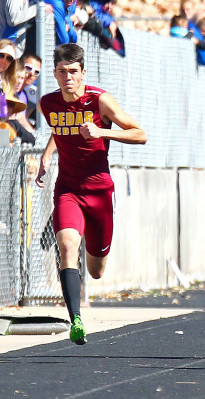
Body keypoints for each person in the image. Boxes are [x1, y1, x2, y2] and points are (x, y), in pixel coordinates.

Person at [35, 43, 147, 344]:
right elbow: (59, 131)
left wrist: (103, 132)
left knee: (96, 269)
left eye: (73, 71)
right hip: (68, 188)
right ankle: (76, 321)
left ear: (83, 72)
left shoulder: (99, 100)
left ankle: (96, 257)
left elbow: (140, 134)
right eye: (62, 72)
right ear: (55, 74)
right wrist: (47, 157)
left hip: (99, 191)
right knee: (68, 246)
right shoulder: (48, 103)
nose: (68, 77)